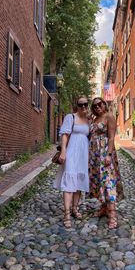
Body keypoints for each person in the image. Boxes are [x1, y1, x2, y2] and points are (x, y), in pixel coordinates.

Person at [53, 96, 89, 228]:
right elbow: (64, 135)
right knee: (69, 181)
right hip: (72, 152)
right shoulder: (71, 117)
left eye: (86, 104)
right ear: (77, 106)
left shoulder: (89, 120)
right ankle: (67, 213)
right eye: (81, 105)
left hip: (84, 154)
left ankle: (75, 209)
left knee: (79, 181)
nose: (83, 107)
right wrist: (63, 152)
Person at [89, 97, 123, 229]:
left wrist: (109, 154)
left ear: (104, 104)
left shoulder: (109, 116)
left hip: (104, 154)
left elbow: (111, 137)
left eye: (99, 104)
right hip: (94, 156)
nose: (97, 107)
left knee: (108, 181)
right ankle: (103, 208)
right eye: (94, 106)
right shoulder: (93, 119)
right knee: (98, 181)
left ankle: (113, 215)